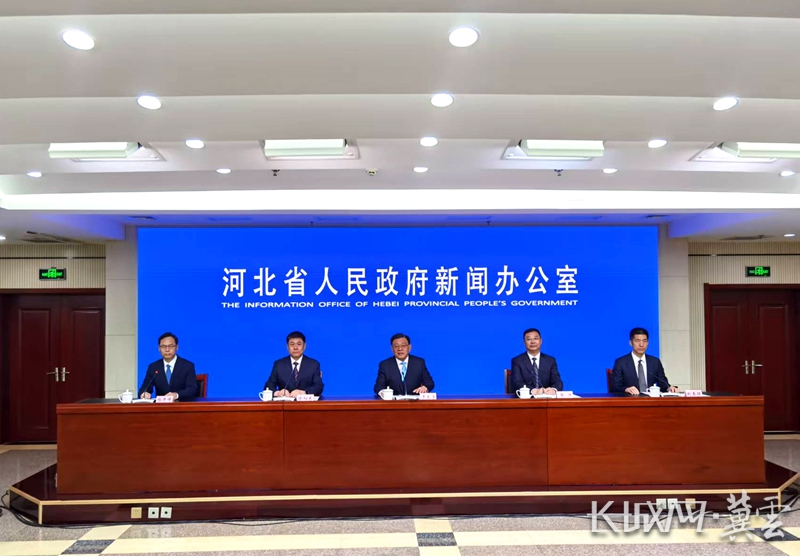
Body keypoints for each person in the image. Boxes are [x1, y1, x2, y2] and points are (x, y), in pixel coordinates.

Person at [611, 327, 679, 394]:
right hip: (630, 399)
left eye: (644, 341)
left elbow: (663, 383)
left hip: (651, 399)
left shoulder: (655, 362)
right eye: (637, 341)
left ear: (648, 343)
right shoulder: (621, 362)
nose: (641, 345)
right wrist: (626, 389)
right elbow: (615, 387)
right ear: (631, 343)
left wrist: (669, 388)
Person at [138, 332, 198, 400]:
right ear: (159, 348)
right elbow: (144, 388)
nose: (167, 350)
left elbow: (192, 389)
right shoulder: (153, 367)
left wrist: (176, 395)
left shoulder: (187, 366)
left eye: (171, 346)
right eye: (163, 346)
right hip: (161, 405)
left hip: (181, 404)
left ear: (177, 347)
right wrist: (144, 394)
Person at [264, 331, 324, 397]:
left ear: (304, 346)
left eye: (299, 344)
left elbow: (318, 386)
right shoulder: (279, 364)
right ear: (287, 347)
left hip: (306, 402)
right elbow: (269, 385)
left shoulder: (313, 364)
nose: (295, 348)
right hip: (285, 402)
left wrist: (304, 392)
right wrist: (278, 393)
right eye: (292, 344)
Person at [510, 328, 563, 395]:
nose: (533, 342)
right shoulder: (517, 361)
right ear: (524, 342)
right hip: (526, 398)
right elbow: (517, 382)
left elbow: (557, 381)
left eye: (535, 338)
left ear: (541, 341)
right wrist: (533, 391)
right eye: (529, 339)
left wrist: (553, 390)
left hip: (546, 398)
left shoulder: (550, 360)